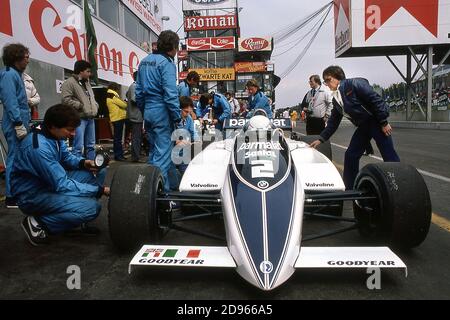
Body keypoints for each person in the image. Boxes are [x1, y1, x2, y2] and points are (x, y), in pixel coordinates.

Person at [10, 104, 110, 246]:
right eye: (70, 130)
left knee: (98, 171)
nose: (74, 134)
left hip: (48, 183)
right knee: (92, 208)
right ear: (53, 126)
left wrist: (84, 163)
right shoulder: (39, 148)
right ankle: (38, 223)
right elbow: (62, 184)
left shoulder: (54, 135)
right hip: (32, 195)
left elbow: (66, 158)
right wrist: (101, 190)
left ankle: (72, 219)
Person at [310, 66, 400, 189]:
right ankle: (350, 188)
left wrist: (383, 122)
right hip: (363, 126)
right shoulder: (336, 99)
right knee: (351, 155)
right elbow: (333, 122)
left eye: (328, 80)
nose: (326, 84)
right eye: (325, 81)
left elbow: (376, 100)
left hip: (376, 123)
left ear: (338, 77)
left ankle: (398, 187)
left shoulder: (355, 84)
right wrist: (321, 138)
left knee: (389, 156)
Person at [135, 30, 181, 193]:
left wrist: (145, 109)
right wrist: (177, 117)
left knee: (155, 152)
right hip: (162, 112)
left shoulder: (145, 61)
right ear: (173, 47)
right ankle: (158, 195)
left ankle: (171, 187)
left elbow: (138, 92)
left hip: (148, 111)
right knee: (162, 156)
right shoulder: (167, 63)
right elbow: (170, 94)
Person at [0, 43, 31, 208]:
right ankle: (11, 197)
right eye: (25, 57)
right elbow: (10, 101)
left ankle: (17, 191)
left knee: (19, 158)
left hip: (20, 123)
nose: (28, 60)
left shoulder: (15, 74)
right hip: (14, 124)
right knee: (14, 158)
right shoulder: (9, 75)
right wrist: (19, 124)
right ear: (16, 57)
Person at [61, 60, 98, 160]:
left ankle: (92, 167)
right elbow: (65, 100)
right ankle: (76, 167)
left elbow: (91, 98)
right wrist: (80, 105)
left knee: (91, 145)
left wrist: (95, 105)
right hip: (79, 119)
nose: (89, 74)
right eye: (88, 71)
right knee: (78, 146)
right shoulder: (69, 83)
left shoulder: (87, 83)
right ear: (80, 71)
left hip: (90, 118)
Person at [173, 96, 200, 176]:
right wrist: (176, 141)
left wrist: (197, 140)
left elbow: (193, 131)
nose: (187, 114)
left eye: (189, 112)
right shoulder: (173, 119)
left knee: (186, 174)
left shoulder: (189, 118)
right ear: (179, 109)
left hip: (183, 152)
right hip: (171, 151)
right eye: (185, 111)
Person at [106, 82, 127, 161]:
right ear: (115, 89)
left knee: (117, 138)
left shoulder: (110, 95)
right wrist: (125, 101)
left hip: (115, 118)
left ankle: (118, 155)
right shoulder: (113, 96)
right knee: (118, 139)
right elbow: (124, 105)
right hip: (118, 118)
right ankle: (118, 155)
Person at [126, 71, 144, 162]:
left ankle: (136, 156)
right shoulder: (135, 86)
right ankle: (135, 157)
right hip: (135, 116)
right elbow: (134, 99)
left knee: (137, 137)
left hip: (135, 116)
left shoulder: (133, 86)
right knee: (136, 138)